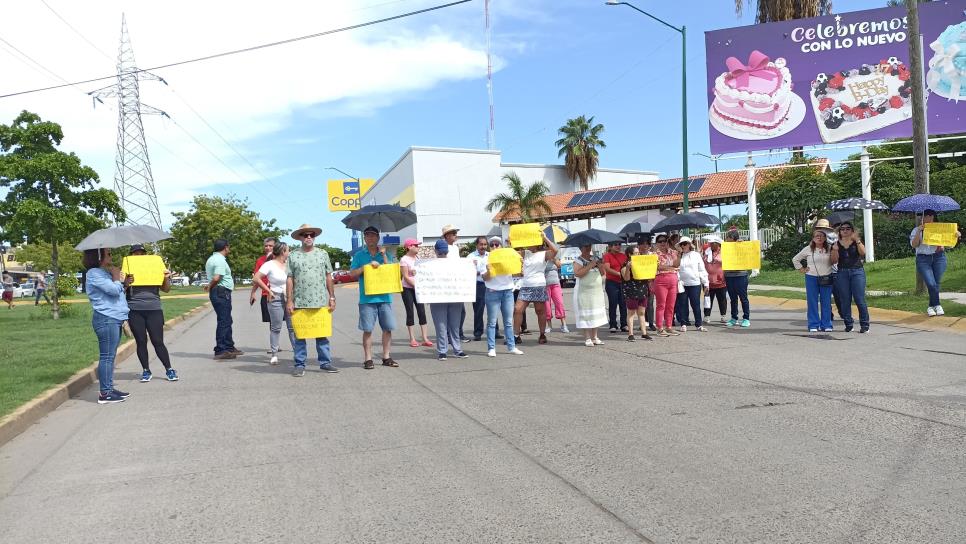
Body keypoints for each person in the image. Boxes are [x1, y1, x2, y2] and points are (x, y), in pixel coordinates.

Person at [82, 248, 133, 404]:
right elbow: (111, 290)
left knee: (111, 357)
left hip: (114, 317)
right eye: (108, 253)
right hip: (106, 318)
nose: (111, 256)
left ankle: (109, 388)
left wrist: (124, 284)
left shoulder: (103, 272)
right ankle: (104, 393)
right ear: (99, 256)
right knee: (106, 357)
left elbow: (116, 293)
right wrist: (117, 278)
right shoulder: (93, 273)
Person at [287, 224, 337, 376]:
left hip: (320, 300)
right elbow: (290, 278)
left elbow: (329, 276)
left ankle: (325, 362)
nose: (308, 237)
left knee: (322, 334)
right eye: (305, 235)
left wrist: (332, 297)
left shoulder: (323, 254)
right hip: (300, 302)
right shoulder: (293, 255)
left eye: (311, 235)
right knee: (300, 335)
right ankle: (300, 364)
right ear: (300, 237)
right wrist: (289, 300)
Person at [126, 244, 178, 383]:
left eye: (141, 253)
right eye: (135, 253)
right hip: (135, 310)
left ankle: (169, 369)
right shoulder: (127, 270)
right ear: (131, 256)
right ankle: (146, 370)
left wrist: (166, 277)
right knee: (141, 342)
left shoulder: (155, 269)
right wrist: (125, 282)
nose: (139, 255)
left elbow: (166, 289)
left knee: (158, 341)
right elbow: (121, 290)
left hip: (154, 309)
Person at [350, 225, 397, 369]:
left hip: (384, 297)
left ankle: (386, 356)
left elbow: (391, 272)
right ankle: (368, 359)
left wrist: (383, 255)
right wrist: (365, 267)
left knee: (387, 328)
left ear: (377, 237)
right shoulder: (359, 255)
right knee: (367, 329)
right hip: (367, 299)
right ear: (364, 238)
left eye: (373, 235)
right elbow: (352, 274)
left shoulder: (385, 254)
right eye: (367, 236)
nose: (370, 238)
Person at [910, 209, 962, 316]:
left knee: (936, 284)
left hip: (939, 258)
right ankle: (937, 304)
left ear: (931, 217)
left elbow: (950, 245)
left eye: (924, 216)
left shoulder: (940, 229)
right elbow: (914, 245)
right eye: (922, 216)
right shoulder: (916, 230)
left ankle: (930, 307)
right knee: (931, 283)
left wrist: (956, 236)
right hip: (923, 259)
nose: (922, 218)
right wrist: (919, 231)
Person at [479, 236, 524, 357]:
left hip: (507, 291)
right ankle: (491, 348)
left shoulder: (508, 257)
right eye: (492, 245)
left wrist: (520, 264)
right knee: (492, 322)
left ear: (501, 246)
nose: (494, 246)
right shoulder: (486, 259)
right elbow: (485, 278)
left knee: (508, 322)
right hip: (493, 291)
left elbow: (518, 273)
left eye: (497, 244)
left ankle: (512, 346)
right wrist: (488, 271)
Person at [254, 242, 297, 366]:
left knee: (292, 328)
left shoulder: (290, 264)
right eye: (288, 250)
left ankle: (297, 353)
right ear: (283, 251)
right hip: (276, 298)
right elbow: (256, 278)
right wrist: (268, 290)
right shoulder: (269, 265)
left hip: (290, 298)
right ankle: (274, 354)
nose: (289, 252)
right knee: (276, 327)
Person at [513, 233, 558, 345]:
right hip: (526, 286)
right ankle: (516, 335)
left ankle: (542, 334)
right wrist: (512, 241)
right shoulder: (524, 253)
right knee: (518, 310)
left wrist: (545, 237)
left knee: (540, 311)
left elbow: (555, 251)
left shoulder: (544, 254)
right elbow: (512, 254)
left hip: (539, 285)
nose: (529, 244)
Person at [428, 239, 468, 360]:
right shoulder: (428, 264)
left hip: (455, 297)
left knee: (455, 325)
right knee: (441, 326)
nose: (443, 255)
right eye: (440, 253)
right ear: (435, 251)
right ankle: (442, 351)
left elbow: (465, 276)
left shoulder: (456, 264)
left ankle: (458, 349)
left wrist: (472, 266)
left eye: (445, 253)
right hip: (437, 298)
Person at [204, 239, 241, 360]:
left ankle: (229, 346)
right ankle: (220, 350)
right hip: (221, 292)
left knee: (227, 320)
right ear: (226, 247)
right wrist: (209, 286)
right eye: (228, 247)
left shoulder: (212, 258)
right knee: (224, 321)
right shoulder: (219, 260)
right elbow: (216, 277)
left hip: (219, 291)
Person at [830, 221, 870, 333]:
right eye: (842, 229)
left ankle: (865, 324)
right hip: (842, 272)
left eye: (848, 228)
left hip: (857, 271)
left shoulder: (856, 242)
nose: (845, 230)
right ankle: (848, 323)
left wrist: (857, 240)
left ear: (852, 231)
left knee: (859, 299)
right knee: (845, 299)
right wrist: (835, 250)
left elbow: (863, 253)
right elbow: (833, 261)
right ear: (839, 231)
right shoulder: (836, 244)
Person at [793, 228, 834, 332]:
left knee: (826, 301)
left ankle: (826, 324)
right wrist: (802, 269)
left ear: (825, 238)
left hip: (826, 277)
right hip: (811, 277)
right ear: (813, 238)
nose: (819, 238)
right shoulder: (808, 249)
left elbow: (835, 260)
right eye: (817, 236)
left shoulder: (830, 248)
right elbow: (795, 259)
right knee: (812, 301)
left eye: (822, 236)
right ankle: (813, 324)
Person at [400, 238, 433, 348]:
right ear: (409, 247)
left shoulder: (418, 258)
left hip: (418, 289)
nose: (418, 247)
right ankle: (412, 339)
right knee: (410, 312)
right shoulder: (404, 259)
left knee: (421, 311)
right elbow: (405, 276)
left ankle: (425, 338)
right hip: (407, 289)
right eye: (416, 245)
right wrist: (416, 286)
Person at [440, 224, 471, 342]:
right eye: (453, 233)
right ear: (447, 235)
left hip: (456, 282)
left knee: (461, 311)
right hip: (446, 282)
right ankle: (449, 335)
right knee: (449, 311)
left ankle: (458, 333)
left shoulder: (455, 248)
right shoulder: (442, 247)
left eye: (455, 233)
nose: (455, 235)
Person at [573, 243, 607, 346]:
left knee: (595, 314)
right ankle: (587, 338)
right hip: (584, 293)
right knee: (586, 314)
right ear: (581, 248)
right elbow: (578, 273)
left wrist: (600, 265)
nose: (588, 248)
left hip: (596, 292)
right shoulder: (578, 260)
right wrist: (590, 265)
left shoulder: (596, 259)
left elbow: (603, 273)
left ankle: (595, 337)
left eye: (589, 246)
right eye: (585, 246)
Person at [676, 236, 709, 332]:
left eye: (685, 243)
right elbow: (675, 267)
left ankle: (698, 324)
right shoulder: (679, 256)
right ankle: (683, 323)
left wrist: (706, 283)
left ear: (690, 244)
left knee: (695, 304)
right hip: (682, 283)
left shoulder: (696, 255)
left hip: (694, 283)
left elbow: (702, 269)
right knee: (682, 304)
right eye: (681, 244)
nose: (683, 245)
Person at [620, 246, 652, 341]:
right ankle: (630, 334)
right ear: (630, 254)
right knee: (631, 313)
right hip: (631, 291)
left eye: (638, 253)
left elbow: (649, 276)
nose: (638, 254)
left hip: (642, 289)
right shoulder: (625, 265)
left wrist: (653, 266)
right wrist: (628, 268)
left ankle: (644, 333)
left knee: (641, 312)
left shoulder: (641, 263)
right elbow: (626, 278)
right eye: (636, 253)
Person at [249, 237, 276, 345]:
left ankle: (296, 345)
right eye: (266, 245)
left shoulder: (281, 258)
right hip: (266, 294)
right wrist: (253, 293)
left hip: (280, 293)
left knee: (289, 322)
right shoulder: (260, 260)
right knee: (271, 321)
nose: (268, 247)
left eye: (270, 245)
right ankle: (274, 344)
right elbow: (257, 278)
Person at [652, 234, 681, 337]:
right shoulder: (654, 254)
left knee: (671, 305)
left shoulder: (673, 252)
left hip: (673, 280)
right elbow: (658, 267)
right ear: (657, 243)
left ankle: (668, 326)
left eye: (665, 241)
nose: (663, 243)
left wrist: (679, 253)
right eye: (660, 241)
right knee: (661, 305)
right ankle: (659, 328)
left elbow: (677, 264)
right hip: (661, 280)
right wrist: (671, 267)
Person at [723, 229, 751, 328]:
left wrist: (742, 245)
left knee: (743, 298)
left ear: (734, 238)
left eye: (729, 238)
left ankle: (746, 318)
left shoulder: (741, 246)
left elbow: (749, 253)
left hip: (741, 275)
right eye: (727, 238)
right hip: (729, 276)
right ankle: (734, 318)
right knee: (733, 299)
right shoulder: (725, 248)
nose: (727, 240)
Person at [601, 241, 628, 333]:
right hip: (611, 282)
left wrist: (625, 274)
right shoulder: (607, 256)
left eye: (619, 244)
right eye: (615, 245)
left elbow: (627, 267)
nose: (618, 246)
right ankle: (613, 324)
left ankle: (624, 324)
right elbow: (607, 269)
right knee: (613, 304)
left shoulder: (623, 256)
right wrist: (619, 274)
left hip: (623, 282)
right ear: (610, 246)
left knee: (623, 304)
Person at [702, 236, 727, 324]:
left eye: (713, 243)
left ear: (718, 244)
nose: (711, 245)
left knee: (722, 299)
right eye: (710, 243)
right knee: (708, 299)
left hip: (721, 280)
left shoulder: (724, 252)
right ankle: (707, 316)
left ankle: (723, 316)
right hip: (708, 281)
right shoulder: (706, 251)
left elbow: (728, 262)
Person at [468, 236, 489, 341]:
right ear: (477, 245)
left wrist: (479, 271)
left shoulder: (490, 255)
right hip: (477, 285)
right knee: (478, 310)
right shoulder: (470, 257)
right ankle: (478, 333)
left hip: (490, 284)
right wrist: (479, 272)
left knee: (492, 309)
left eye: (485, 244)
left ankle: (494, 331)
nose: (483, 246)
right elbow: (467, 272)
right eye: (481, 244)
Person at [543, 254, 568, 333]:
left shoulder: (553, 257)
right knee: (547, 306)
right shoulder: (541, 258)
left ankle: (564, 325)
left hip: (555, 283)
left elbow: (560, 265)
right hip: (545, 285)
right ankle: (549, 326)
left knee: (559, 303)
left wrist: (553, 259)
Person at [637, 234, 657, 331]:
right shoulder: (636, 255)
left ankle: (651, 323)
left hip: (650, 282)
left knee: (650, 303)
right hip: (639, 283)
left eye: (646, 244)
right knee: (641, 303)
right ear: (639, 245)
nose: (644, 246)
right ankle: (642, 323)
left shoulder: (652, 256)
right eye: (642, 244)